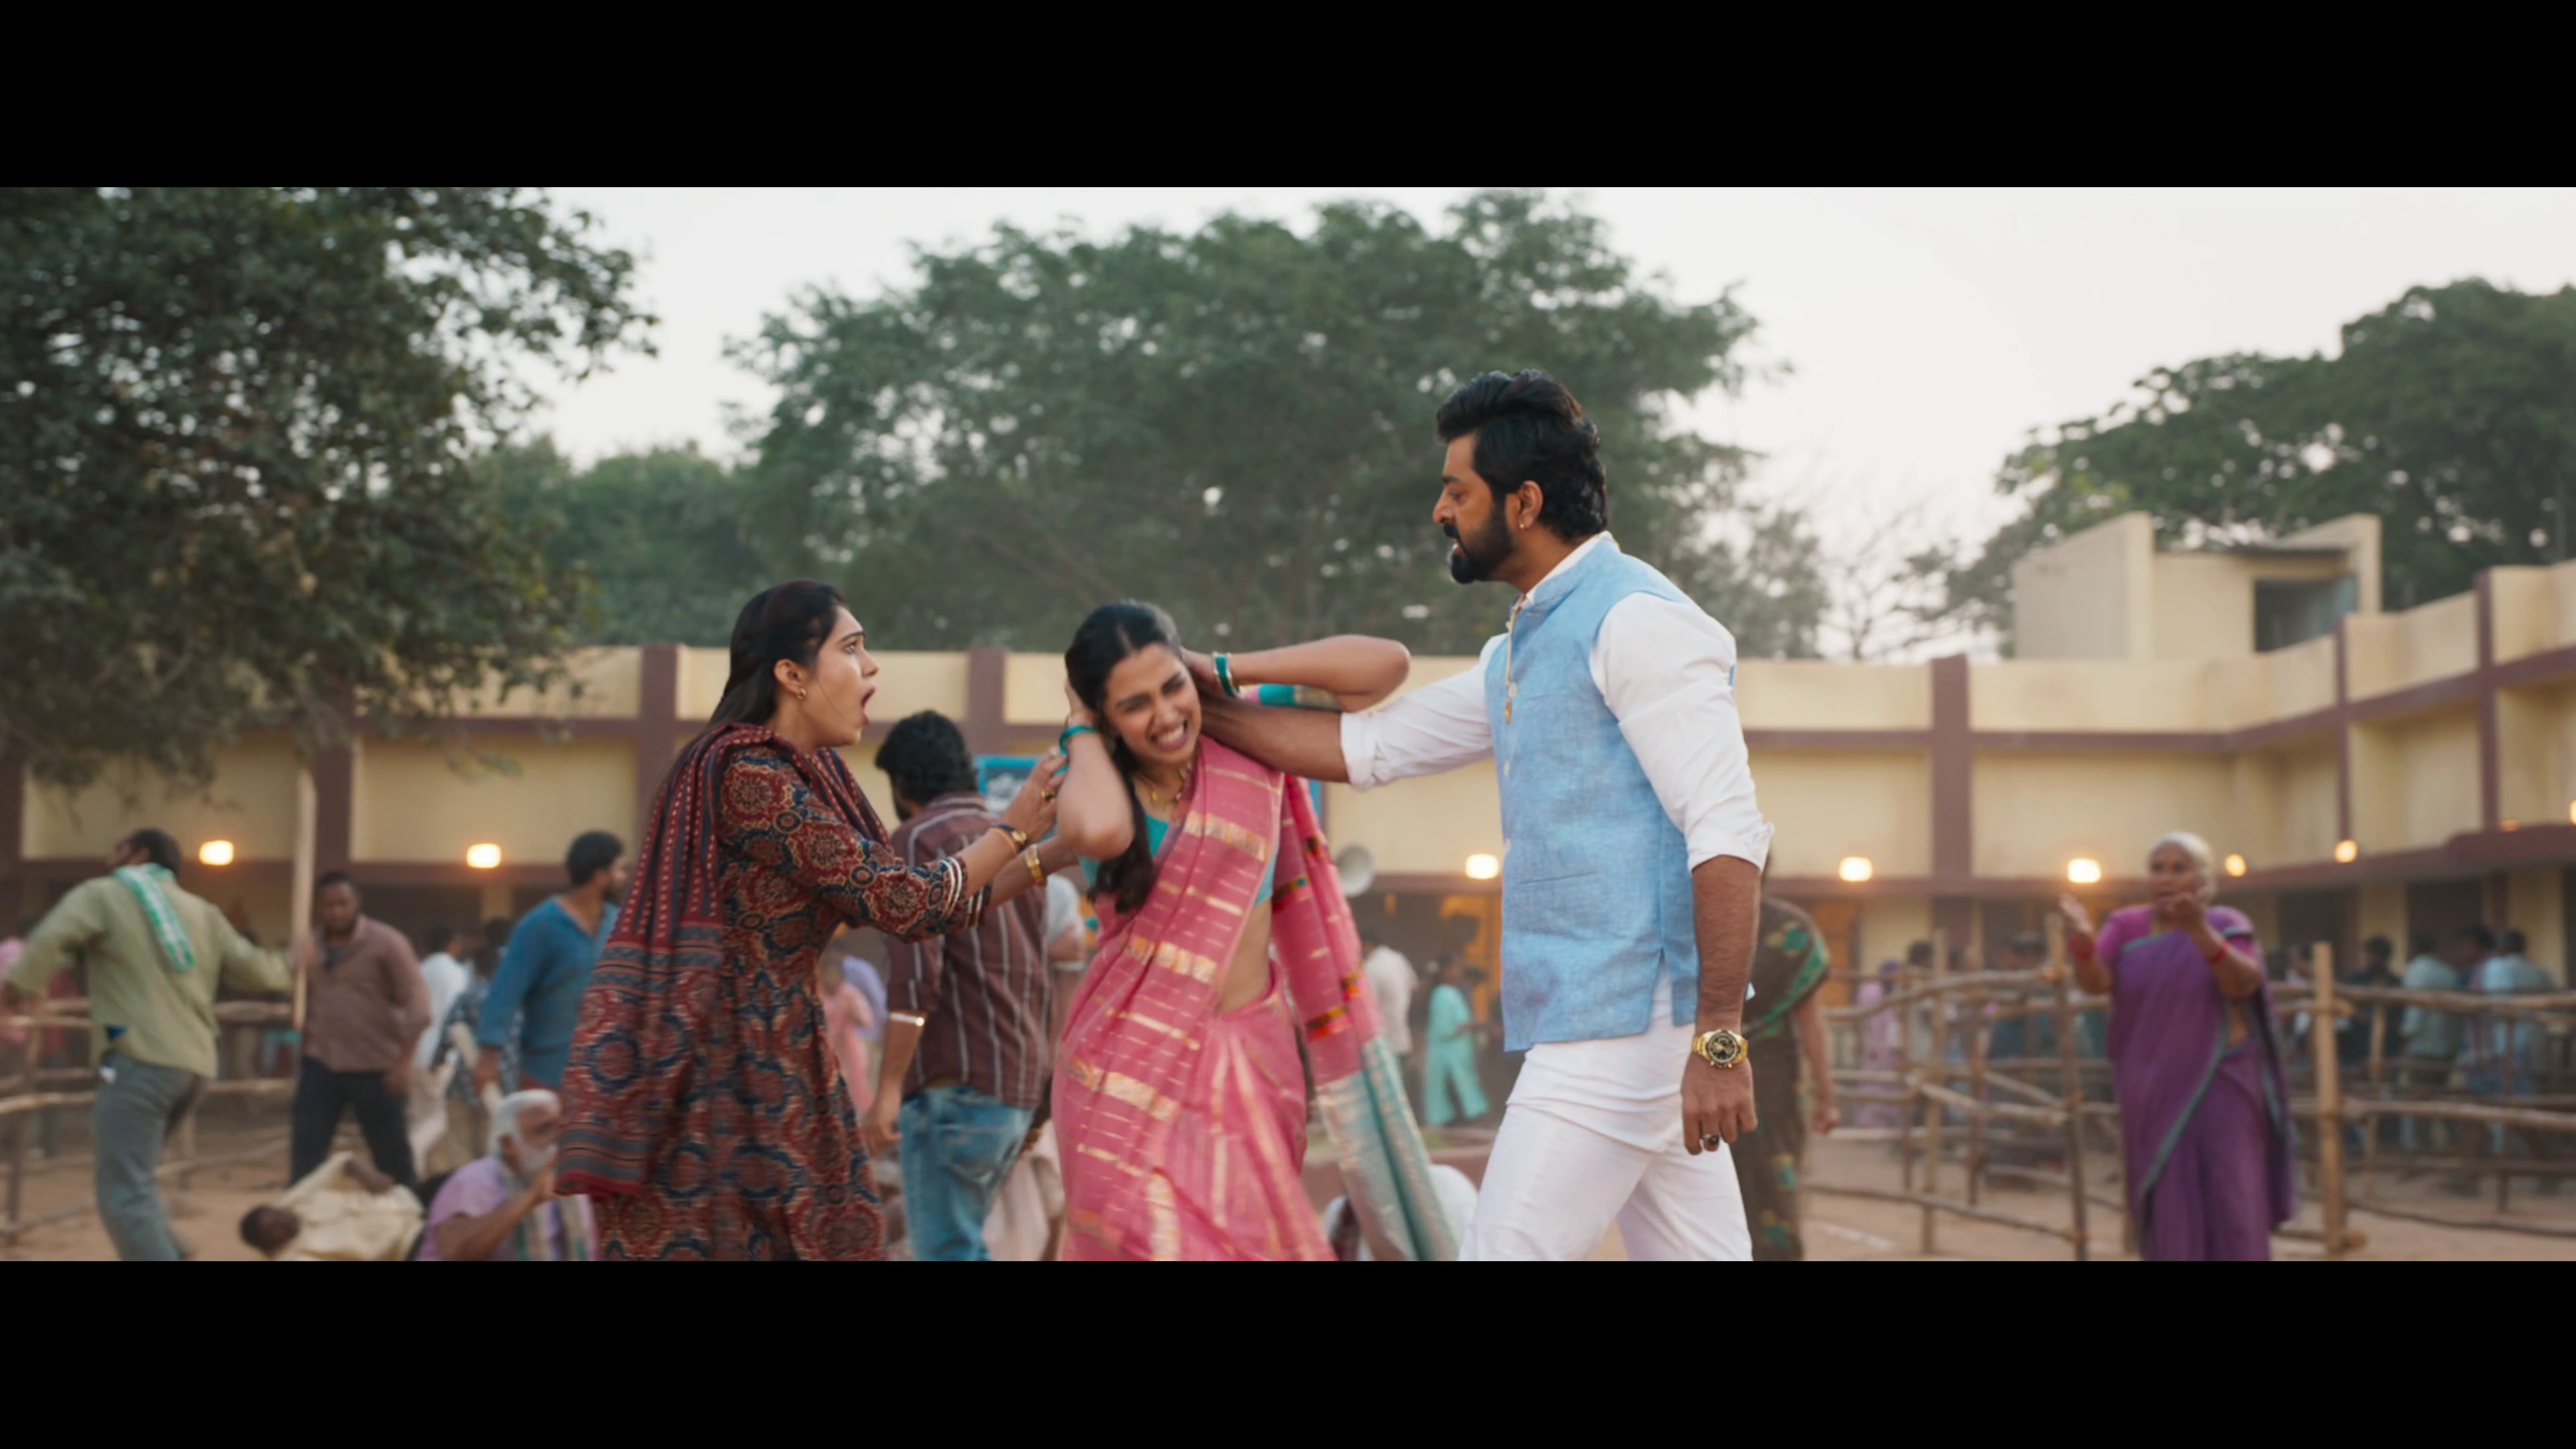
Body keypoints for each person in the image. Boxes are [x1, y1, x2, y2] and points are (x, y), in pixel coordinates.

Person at [1197, 372, 1768, 1261]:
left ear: (1525, 503)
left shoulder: (1637, 621)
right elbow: (1369, 746)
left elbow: (1727, 830)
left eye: (1457, 492)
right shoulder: (1524, 647)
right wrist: (1192, 698)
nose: (1440, 512)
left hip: (1619, 1031)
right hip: (1627, 1031)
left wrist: (1720, 1042)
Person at [556, 581, 1063, 1260]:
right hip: (724, 1068)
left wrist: (1052, 851)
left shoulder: (809, 776)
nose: (871, 666)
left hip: (781, 1046)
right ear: (792, 675)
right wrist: (1013, 829)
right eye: (852, 648)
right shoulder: (748, 776)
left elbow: (929, 905)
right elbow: (905, 902)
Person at [1050, 600, 1454, 1260]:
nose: (1166, 715)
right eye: (1135, 705)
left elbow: (1386, 667)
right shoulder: (1092, 779)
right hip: (1131, 1067)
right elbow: (1096, 831)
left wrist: (1221, 670)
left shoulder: (1247, 738)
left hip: (1253, 1055)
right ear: (1105, 717)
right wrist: (1079, 724)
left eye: (1172, 687)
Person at [4, 829, 294, 1260]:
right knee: (138, 1182)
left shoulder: (105, 894)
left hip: (138, 1060)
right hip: (194, 1068)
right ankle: (174, 1251)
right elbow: (261, 972)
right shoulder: (203, 912)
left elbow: (52, 936)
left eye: (118, 850)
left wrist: (20, 988)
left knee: (123, 1194)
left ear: (140, 855)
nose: (110, 860)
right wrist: (294, 960)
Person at [857, 711, 1055, 1262]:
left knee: (946, 1252)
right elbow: (1037, 972)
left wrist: (888, 1090)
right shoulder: (1016, 842)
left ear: (902, 785)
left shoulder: (916, 838)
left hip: (954, 1090)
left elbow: (916, 977)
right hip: (1014, 1088)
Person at [2061, 832, 2294, 1260]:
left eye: (2178, 869)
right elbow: (2096, 983)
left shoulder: (2226, 922)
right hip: (2152, 1088)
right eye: (2157, 869)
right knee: (2170, 1201)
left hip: (2222, 1082)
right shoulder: (2127, 925)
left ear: (2202, 879)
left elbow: (2243, 983)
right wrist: (2083, 944)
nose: (2165, 878)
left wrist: (2198, 931)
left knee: (2233, 1198)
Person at [290, 871, 429, 1187]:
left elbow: (418, 1006)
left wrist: (403, 1064)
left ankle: (410, 1216)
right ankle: (302, 1215)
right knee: (306, 1159)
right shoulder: (309, 945)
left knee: (393, 1161)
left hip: (376, 1067)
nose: (336, 912)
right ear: (318, 907)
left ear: (357, 903)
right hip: (321, 1063)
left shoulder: (387, 943)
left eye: (343, 904)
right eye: (328, 905)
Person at [475, 831, 626, 1095]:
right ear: (600, 876)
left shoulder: (620, 924)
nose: (623, 877)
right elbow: (505, 991)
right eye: (619, 869)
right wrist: (489, 1056)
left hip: (607, 1072)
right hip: (548, 1069)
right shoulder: (541, 926)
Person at [1729, 897, 1838, 1260]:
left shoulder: (1692, 918)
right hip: (1770, 1082)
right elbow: (1810, 1021)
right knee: (1772, 1185)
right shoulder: (1792, 929)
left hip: (1706, 1071)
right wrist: (1827, 1096)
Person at [420, 1088, 593, 1261]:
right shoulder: (474, 1182)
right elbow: (454, 1254)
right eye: (544, 1130)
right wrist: (530, 1198)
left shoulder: (574, 1181)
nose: (558, 1138)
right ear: (508, 1144)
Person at [237, 1152, 423, 1261]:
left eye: (278, 1214)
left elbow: (342, 1162)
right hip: (410, 1243)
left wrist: (367, 1175)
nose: (282, 1221)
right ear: (270, 1248)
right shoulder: (297, 1257)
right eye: (274, 1229)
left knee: (442, 1185)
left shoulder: (295, 1201)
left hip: (405, 1199)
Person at [2398, 929, 2462, 1155]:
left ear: (2413, 949)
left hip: (2422, 1046)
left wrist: (2406, 1035)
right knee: (2441, 1096)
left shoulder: (2416, 971)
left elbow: (2416, 1011)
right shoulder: (2448, 972)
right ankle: (2454, 1144)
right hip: (2445, 1046)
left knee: (2420, 1099)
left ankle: (2422, 1149)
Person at [1423, 960, 1490, 1128]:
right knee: (1454, 1086)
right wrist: (1473, 1024)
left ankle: (1470, 1117)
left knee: (1466, 1083)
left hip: (1459, 1051)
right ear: (1444, 972)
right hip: (1447, 1052)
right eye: (1455, 969)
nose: (1459, 973)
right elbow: (1445, 1029)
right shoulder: (1442, 995)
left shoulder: (1454, 993)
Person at [1361, 928, 1419, 1077]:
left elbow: (1365, 1005)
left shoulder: (1370, 968)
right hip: (1402, 1038)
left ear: (1367, 945)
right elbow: (1413, 986)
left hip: (1382, 1043)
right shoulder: (1398, 959)